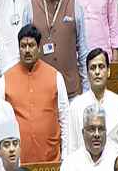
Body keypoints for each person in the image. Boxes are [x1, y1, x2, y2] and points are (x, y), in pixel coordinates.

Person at [24, 0, 88, 98]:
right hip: (40, 90)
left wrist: (86, 89)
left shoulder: (74, 4)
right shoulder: (30, 6)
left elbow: (83, 50)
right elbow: (24, 48)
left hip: (71, 90)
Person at [4, 24, 69, 163]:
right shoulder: (5, 79)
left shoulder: (55, 76)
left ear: (39, 48)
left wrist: (66, 157)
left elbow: (65, 119)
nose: (27, 50)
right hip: (18, 162)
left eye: (31, 45)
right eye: (23, 46)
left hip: (51, 160)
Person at [68, 48, 118, 155]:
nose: (97, 72)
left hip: (113, 167)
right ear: (87, 74)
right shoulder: (76, 105)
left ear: (108, 71)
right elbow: (72, 148)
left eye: (101, 67)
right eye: (93, 68)